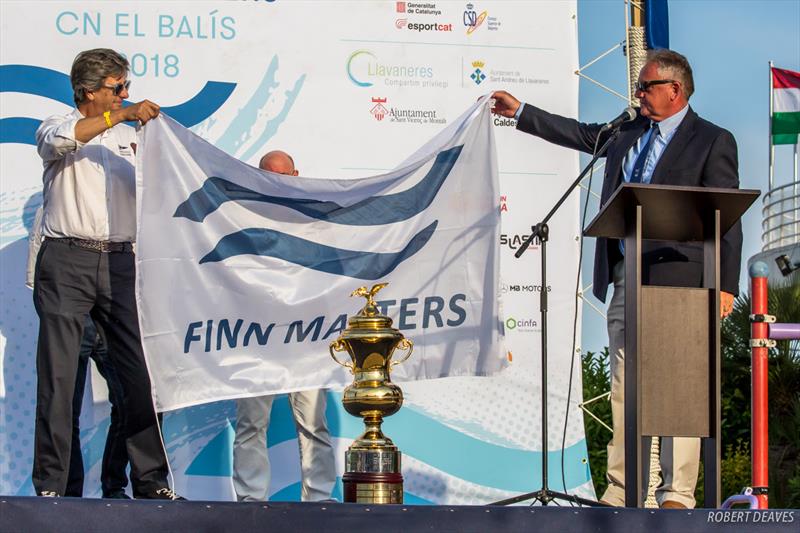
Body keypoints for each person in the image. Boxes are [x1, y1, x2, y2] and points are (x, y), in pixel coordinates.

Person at [491, 49, 742, 509]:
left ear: (675, 90)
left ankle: (676, 494)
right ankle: (628, 489)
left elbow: (725, 216)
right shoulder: (626, 132)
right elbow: (579, 134)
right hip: (627, 274)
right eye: (638, 86)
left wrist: (725, 284)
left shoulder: (711, 140)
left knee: (677, 386)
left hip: (682, 281)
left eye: (646, 86)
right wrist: (521, 112)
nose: (638, 94)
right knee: (627, 385)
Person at [32, 48, 182, 499]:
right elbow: (60, 142)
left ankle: (151, 482)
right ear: (89, 92)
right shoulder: (56, 126)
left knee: (141, 375)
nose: (126, 95)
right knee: (59, 381)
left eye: (127, 87)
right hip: (66, 260)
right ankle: (54, 488)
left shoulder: (132, 138)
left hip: (122, 262)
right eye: (118, 88)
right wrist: (123, 116)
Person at [232, 150, 337, 502]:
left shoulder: (315, 219)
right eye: (269, 174)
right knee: (250, 424)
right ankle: (250, 501)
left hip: (305, 334)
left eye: (284, 175)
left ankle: (320, 500)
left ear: (297, 173)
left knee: (313, 424)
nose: (278, 180)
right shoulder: (239, 217)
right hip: (256, 335)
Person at [26, 206, 131, 498]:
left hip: (114, 313)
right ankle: (65, 493)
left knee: (134, 398)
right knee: (62, 403)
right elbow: (40, 272)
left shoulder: (125, 201)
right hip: (76, 316)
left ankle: (115, 485)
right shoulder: (54, 211)